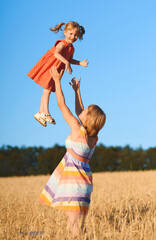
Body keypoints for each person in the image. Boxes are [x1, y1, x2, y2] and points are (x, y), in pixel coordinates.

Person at [38, 66, 106, 237]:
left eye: (85, 111)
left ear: (87, 118)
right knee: (77, 228)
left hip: (73, 184)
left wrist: (56, 81)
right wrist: (77, 91)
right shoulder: (93, 137)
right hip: (84, 185)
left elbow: (61, 105)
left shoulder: (77, 129)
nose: (81, 111)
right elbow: (79, 112)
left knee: (74, 230)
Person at [27, 21, 88, 127]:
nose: (73, 37)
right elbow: (56, 54)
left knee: (47, 89)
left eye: (75, 35)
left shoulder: (71, 48)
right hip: (50, 65)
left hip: (56, 67)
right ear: (65, 32)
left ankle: (40, 112)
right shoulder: (62, 43)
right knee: (47, 90)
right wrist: (66, 62)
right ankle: (46, 113)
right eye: (71, 34)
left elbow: (69, 59)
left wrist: (80, 63)